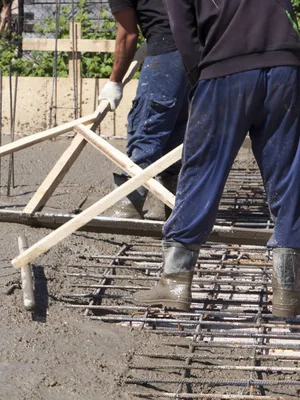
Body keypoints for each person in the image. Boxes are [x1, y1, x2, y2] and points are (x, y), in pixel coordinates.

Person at [134, 0, 300, 318]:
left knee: (203, 169)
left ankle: (174, 281)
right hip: (286, 63)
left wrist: (201, 75)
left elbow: (181, 27)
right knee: (289, 170)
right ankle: (288, 289)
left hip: (227, 66)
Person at [99, 0, 189, 221]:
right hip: (195, 53)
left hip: (166, 52)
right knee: (176, 133)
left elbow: (128, 35)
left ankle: (127, 207)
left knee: (147, 127)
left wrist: (115, 82)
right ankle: (172, 206)